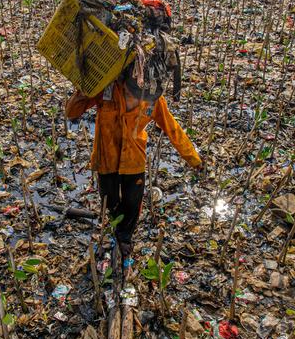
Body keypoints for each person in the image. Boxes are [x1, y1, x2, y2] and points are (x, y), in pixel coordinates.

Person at [65, 79, 202, 260]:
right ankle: (117, 230)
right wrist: (84, 88)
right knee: (110, 200)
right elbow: (71, 112)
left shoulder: (153, 98)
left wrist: (193, 159)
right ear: (125, 84)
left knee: (132, 204)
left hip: (134, 160)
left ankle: (125, 238)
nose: (134, 97)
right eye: (131, 92)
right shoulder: (106, 90)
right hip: (107, 158)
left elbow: (172, 129)